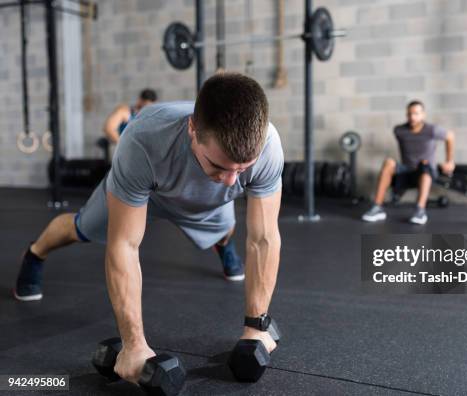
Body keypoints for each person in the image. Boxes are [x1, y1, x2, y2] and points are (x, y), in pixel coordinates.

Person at [13, 73, 283, 383]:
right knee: (81, 228)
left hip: (208, 198)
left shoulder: (268, 147)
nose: (234, 179)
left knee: (227, 226)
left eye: (243, 168)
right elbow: (124, 246)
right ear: (192, 129)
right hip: (145, 192)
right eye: (220, 165)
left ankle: (222, 242)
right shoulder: (144, 139)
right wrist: (133, 345)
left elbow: (263, 239)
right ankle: (35, 253)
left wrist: (256, 326)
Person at [362, 100, 455, 225]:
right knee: (389, 162)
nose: (412, 117)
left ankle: (420, 211)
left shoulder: (432, 130)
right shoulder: (399, 131)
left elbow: (450, 136)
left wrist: (449, 161)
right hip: (407, 171)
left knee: (424, 165)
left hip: (426, 172)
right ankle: (377, 208)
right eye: (409, 114)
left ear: (423, 115)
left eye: (416, 114)